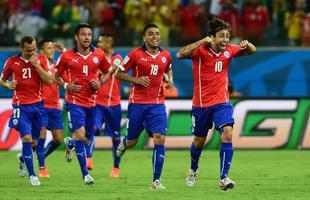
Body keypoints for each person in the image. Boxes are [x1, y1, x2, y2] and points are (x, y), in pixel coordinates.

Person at [177, 18, 256, 190]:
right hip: (201, 104)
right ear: (211, 37)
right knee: (199, 141)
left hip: (222, 102)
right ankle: (193, 169)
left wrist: (247, 44)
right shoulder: (200, 51)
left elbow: (252, 51)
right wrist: (200, 42)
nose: (226, 40)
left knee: (227, 134)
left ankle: (224, 178)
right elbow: (180, 54)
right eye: (221, 36)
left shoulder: (229, 50)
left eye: (227, 36)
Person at [115, 23, 174, 190]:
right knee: (132, 142)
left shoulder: (166, 55)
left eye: (157, 33)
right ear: (144, 38)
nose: (155, 36)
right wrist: (136, 80)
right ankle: (124, 143)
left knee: (159, 138)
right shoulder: (135, 54)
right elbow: (118, 73)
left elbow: (168, 70)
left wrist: (170, 80)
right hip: (137, 104)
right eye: (151, 34)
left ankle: (156, 181)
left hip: (157, 104)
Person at [54, 23, 110, 185]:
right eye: (83, 34)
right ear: (76, 37)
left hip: (92, 103)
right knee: (80, 134)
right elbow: (56, 76)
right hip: (74, 102)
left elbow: (108, 72)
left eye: (89, 34)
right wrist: (66, 86)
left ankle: (70, 143)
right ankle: (85, 174)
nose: (87, 37)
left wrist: (100, 82)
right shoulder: (66, 56)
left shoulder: (99, 54)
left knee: (86, 139)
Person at [0, 36, 53, 186]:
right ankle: (32, 175)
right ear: (21, 48)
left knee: (35, 142)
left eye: (34, 49)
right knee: (27, 139)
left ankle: (23, 159)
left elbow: (49, 80)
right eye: (28, 50)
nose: (31, 53)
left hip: (38, 105)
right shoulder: (12, 61)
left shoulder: (41, 59)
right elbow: (2, 79)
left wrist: (37, 66)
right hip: (21, 105)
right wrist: (8, 84)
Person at [85, 33, 123, 178]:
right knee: (92, 130)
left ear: (109, 43)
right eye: (98, 42)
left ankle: (116, 167)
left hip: (113, 105)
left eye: (101, 42)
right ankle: (89, 158)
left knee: (115, 139)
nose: (99, 44)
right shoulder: (97, 57)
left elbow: (110, 70)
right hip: (97, 104)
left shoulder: (118, 58)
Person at [35, 39, 66, 178]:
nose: (52, 50)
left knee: (59, 139)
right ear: (41, 51)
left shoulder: (55, 66)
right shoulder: (39, 62)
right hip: (41, 105)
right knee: (41, 136)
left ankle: (27, 158)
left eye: (53, 48)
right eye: (49, 48)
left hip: (54, 106)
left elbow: (68, 69)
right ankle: (42, 168)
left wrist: (64, 51)